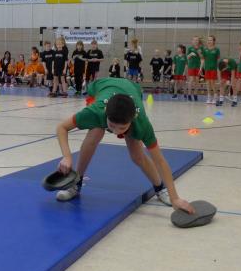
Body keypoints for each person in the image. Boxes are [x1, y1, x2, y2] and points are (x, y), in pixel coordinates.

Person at [52, 77, 195, 215]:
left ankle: (159, 188)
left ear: (132, 119)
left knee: (137, 156)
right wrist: (67, 157)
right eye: (112, 126)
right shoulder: (96, 111)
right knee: (95, 133)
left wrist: (175, 197)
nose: (116, 132)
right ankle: (76, 182)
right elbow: (61, 128)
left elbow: (160, 161)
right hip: (101, 87)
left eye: (122, 128)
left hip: (131, 88)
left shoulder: (142, 124)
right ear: (106, 113)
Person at [201, 35, 221, 105]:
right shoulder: (205, 49)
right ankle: (209, 97)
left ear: (214, 41)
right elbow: (203, 59)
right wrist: (201, 68)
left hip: (213, 69)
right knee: (208, 83)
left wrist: (218, 70)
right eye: (208, 40)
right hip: (207, 69)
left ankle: (215, 97)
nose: (209, 41)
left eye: (211, 40)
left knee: (213, 83)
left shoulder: (216, 49)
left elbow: (218, 60)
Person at [186, 36, 202, 102]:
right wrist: (191, 54)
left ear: (198, 41)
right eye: (194, 40)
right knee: (191, 80)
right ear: (192, 41)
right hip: (191, 66)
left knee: (197, 81)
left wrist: (199, 53)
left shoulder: (201, 48)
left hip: (198, 66)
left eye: (197, 40)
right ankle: (189, 95)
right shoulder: (190, 48)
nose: (195, 41)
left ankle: (195, 94)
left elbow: (202, 57)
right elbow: (187, 57)